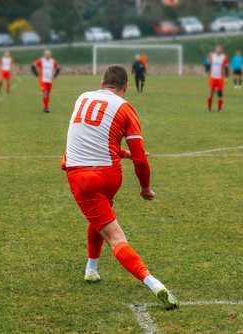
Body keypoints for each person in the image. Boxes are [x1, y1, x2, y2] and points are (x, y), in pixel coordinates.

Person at [61, 64, 178, 310]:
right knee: (108, 226)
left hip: (80, 176)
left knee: (110, 230)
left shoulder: (82, 97)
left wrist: (122, 154)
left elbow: (89, 136)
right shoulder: (125, 107)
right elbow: (140, 158)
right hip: (109, 176)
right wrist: (145, 187)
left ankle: (149, 282)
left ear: (102, 84)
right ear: (126, 86)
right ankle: (99, 271)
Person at [204, 45, 229, 113]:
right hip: (212, 77)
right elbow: (208, 65)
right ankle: (209, 108)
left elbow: (226, 68)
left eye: (220, 49)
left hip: (220, 78)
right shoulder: (212, 56)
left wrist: (226, 77)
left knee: (219, 93)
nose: (218, 50)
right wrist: (206, 72)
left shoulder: (224, 57)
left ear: (221, 50)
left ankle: (219, 109)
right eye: (217, 49)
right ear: (216, 49)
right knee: (211, 92)